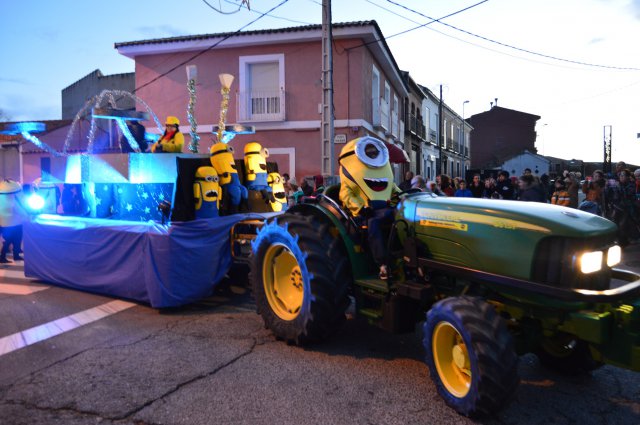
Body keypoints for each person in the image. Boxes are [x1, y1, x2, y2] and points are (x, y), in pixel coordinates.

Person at [339, 136, 400, 280]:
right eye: (370, 152)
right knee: (374, 222)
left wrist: (406, 197)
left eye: (374, 152)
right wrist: (361, 208)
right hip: (366, 213)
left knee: (406, 219)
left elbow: (395, 190)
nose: (372, 154)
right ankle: (383, 264)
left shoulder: (386, 175)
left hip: (385, 209)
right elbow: (345, 195)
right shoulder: (350, 177)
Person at [0, 179, 28, 263]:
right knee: (15, 239)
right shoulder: (14, 197)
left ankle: (12, 255)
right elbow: (19, 209)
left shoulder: (2, 196)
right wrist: (27, 216)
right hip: (16, 222)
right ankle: (10, 256)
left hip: (4, 223)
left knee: (9, 240)